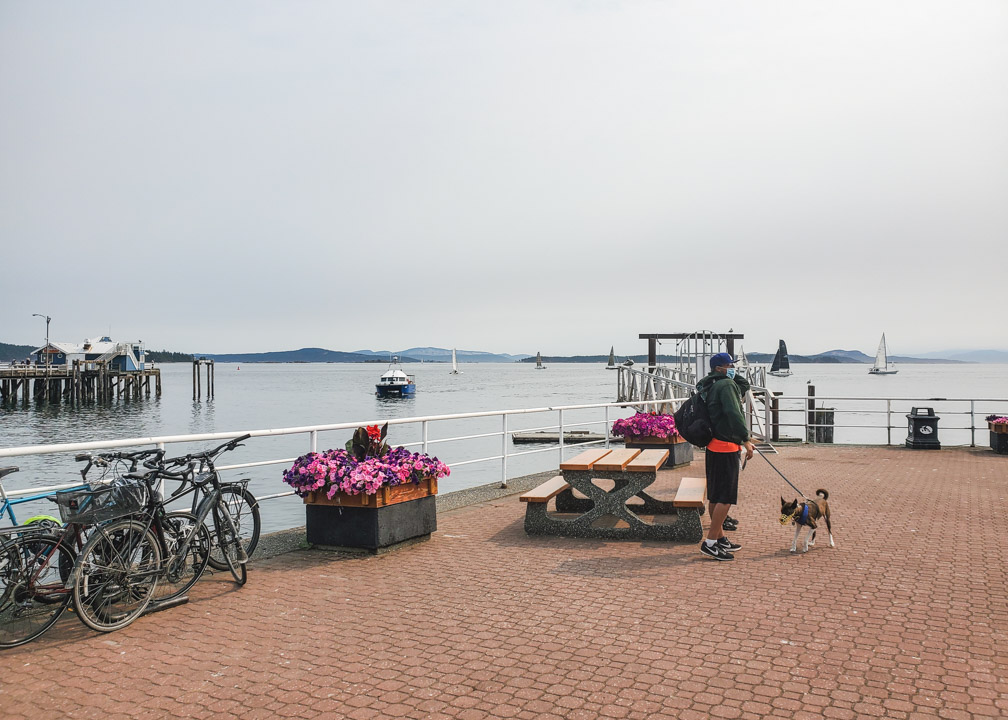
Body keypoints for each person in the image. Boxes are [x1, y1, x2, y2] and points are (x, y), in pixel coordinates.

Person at [696, 352, 755, 561]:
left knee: (715, 495)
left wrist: (728, 374)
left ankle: (719, 538)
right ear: (720, 368)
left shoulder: (710, 384)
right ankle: (710, 542)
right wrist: (745, 439)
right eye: (730, 365)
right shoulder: (726, 386)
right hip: (726, 446)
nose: (733, 368)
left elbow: (743, 384)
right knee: (726, 498)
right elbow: (733, 414)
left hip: (713, 445)